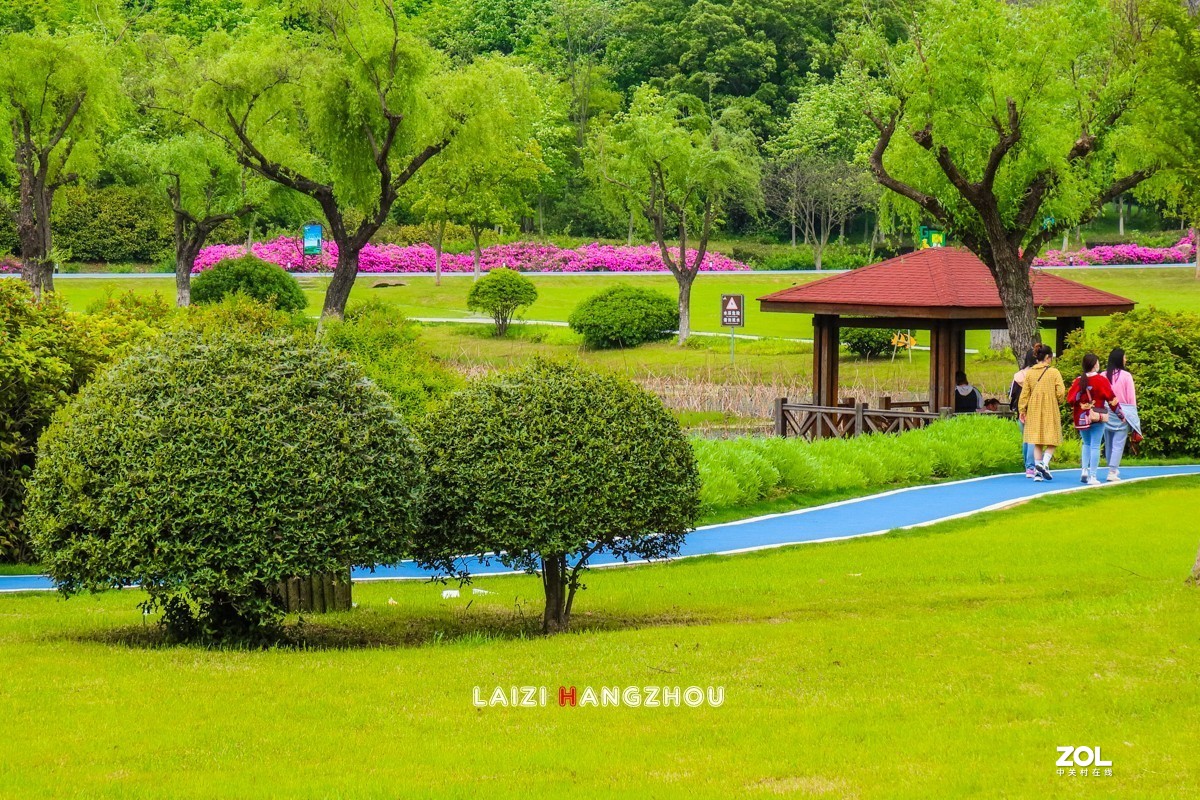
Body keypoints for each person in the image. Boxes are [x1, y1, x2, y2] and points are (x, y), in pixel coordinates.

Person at [1067, 353, 1117, 486]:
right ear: (1095, 365)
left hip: (1081, 418)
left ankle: (1084, 470)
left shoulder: (1078, 380)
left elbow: (1071, 399)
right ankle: (1093, 476)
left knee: (1086, 443)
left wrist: (1082, 404)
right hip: (1097, 416)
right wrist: (1121, 415)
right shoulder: (1101, 380)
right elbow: (1112, 399)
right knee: (1095, 445)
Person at [1018, 343, 1066, 482]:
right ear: (1047, 357)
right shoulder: (1054, 372)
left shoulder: (1030, 373)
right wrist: (1058, 400)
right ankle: (1044, 464)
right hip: (1050, 407)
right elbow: (1061, 391)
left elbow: (1025, 393)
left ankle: (1038, 472)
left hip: (1033, 408)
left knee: (1037, 440)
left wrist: (1022, 409)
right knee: (1053, 437)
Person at [1103, 348, 1141, 482]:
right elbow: (1131, 399)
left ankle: (1111, 466)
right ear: (1120, 359)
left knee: (1108, 441)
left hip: (1106, 411)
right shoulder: (1126, 376)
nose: (1126, 359)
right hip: (1122, 412)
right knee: (1118, 442)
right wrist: (1135, 419)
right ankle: (1112, 471)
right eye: (1125, 357)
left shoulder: (1103, 375)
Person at [1010, 349, 1038, 478]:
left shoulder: (1018, 375)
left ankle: (1027, 465)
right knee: (1033, 439)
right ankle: (1031, 466)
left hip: (1020, 412)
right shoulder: (1037, 375)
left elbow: (1012, 395)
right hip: (1034, 410)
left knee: (1026, 439)